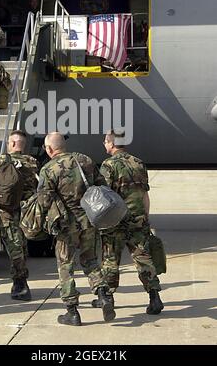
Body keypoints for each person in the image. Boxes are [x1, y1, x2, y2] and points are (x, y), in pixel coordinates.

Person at [37, 132, 116, 326]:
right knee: (90, 260)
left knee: (66, 266)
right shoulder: (84, 160)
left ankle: (72, 311)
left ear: (49, 149)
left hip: (66, 226)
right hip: (89, 220)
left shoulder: (49, 169)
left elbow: (44, 201)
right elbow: (102, 185)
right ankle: (103, 295)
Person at [96, 128, 164, 315]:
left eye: (105, 141)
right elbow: (144, 195)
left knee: (110, 259)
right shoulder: (138, 163)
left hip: (114, 221)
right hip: (138, 219)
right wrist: (146, 218)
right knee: (143, 258)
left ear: (111, 143)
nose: (104, 144)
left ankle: (108, 298)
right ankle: (154, 296)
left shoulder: (108, 165)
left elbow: (104, 196)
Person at [0, 130, 39, 301]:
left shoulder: (1, 161)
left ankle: (20, 283)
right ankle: (21, 279)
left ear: (13, 144)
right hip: (27, 211)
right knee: (22, 246)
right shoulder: (32, 162)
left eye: (9, 143)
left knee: (14, 248)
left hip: (7, 212)